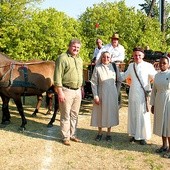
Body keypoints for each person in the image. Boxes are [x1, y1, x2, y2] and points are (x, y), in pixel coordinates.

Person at [121, 47, 157, 145]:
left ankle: (142, 136)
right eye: (135, 55)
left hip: (143, 95)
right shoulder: (131, 66)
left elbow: (155, 77)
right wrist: (113, 72)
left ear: (143, 56)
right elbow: (123, 76)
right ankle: (134, 134)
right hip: (132, 94)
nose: (137, 57)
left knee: (143, 115)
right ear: (133, 56)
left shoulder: (148, 66)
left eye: (139, 55)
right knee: (133, 113)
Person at [54, 39, 84, 146]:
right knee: (65, 114)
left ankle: (73, 135)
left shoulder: (79, 59)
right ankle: (65, 137)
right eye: (74, 47)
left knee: (74, 114)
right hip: (66, 90)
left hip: (77, 91)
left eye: (78, 48)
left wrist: (81, 87)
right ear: (69, 46)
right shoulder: (62, 58)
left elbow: (80, 74)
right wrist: (60, 92)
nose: (76, 49)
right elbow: (57, 76)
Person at [90, 51, 121, 142]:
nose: (106, 59)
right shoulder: (98, 68)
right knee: (100, 112)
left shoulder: (114, 67)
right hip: (101, 93)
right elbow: (94, 83)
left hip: (112, 94)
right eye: (104, 57)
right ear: (101, 58)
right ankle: (99, 133)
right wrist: (95, 95)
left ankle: (108, 133)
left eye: (108, 57)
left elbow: (119, 80)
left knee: (110, 113)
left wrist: (117, 91)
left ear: (110, 58)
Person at [150, 56, 170, 158]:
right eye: (160, 63)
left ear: (168, 64)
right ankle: (164, 145)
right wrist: (152, 104)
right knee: (162, 124)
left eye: (164, 63)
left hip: (168, 101)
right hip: (159, 101)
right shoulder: (157, 76)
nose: (162, 65)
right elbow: (154, 91)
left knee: (168, 125)